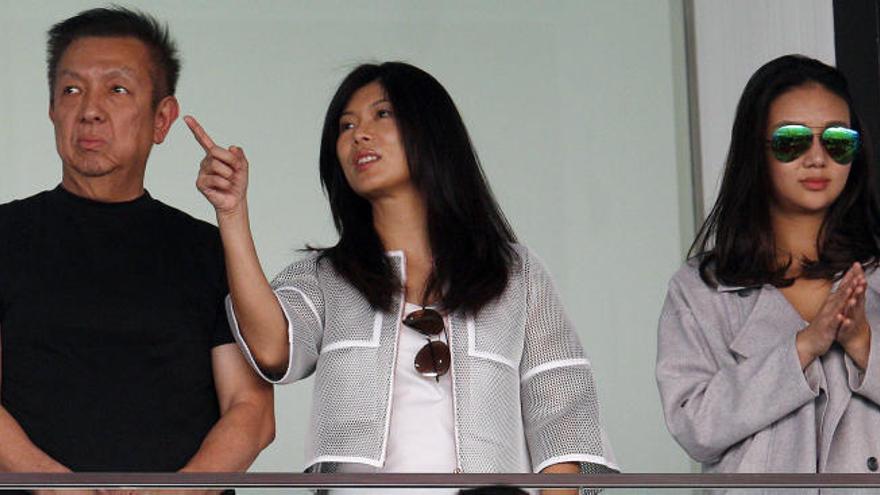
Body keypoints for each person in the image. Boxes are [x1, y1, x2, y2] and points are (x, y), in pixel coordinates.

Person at [185, 61, 617, 486]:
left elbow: (564, 416)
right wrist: (232, 214)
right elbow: (272, 346)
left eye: (382, 114)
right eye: (346, 126)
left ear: (432, 131)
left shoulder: (515, 274)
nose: (359, 135)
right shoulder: (326, 276)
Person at [0, 7, 274, 474]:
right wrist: (56, 486)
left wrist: (178, 490)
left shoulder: (207, 249)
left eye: (117, 89)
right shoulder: (6, 234)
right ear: (51, 109)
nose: (89, 110)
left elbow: (252, 411)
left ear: (162, 118)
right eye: (71, 90)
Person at [656, 54, 880, 472]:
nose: (817, 158)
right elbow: (694, 425)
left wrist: (865, 346)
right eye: (791, 140)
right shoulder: (701, 290)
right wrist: (803, 346)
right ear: (755, 151)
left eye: (837, 141)